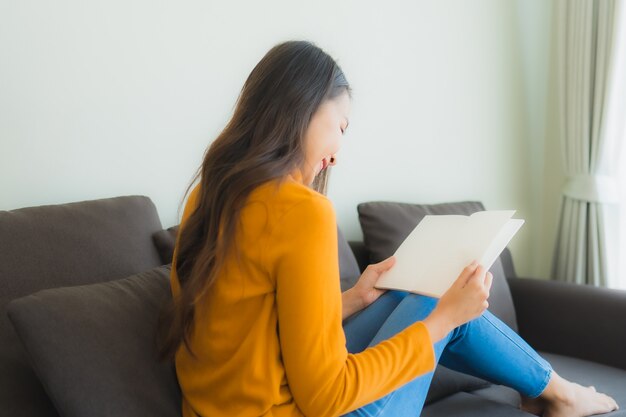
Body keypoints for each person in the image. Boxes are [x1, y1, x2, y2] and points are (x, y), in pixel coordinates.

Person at [157, 40, 619, 417]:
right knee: (439, 303)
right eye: (340, 126)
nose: (336, 153)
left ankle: (554, 391)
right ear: (301, 109)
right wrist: (444, 322)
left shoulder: (209, 196)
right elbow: (327, 398)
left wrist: (354, 298)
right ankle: (561, 393)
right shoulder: (302, 212)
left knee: (420, 295)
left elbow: (250, 333)